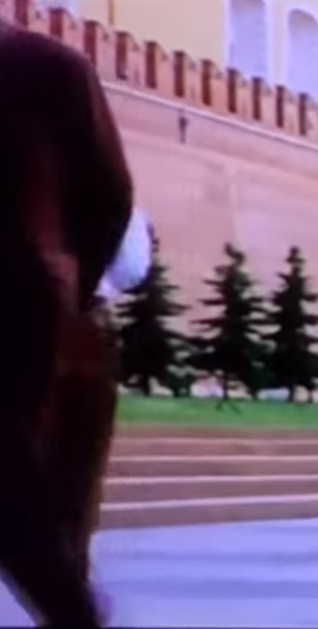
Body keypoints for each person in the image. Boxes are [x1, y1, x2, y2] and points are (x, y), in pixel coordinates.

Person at [0, 26, 135, 627]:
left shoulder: (40, 65)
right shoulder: (49, 63)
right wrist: (73, 289)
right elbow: (110, 192)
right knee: (44, 518)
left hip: (35, 311)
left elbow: (108, 196)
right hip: (46, 309)